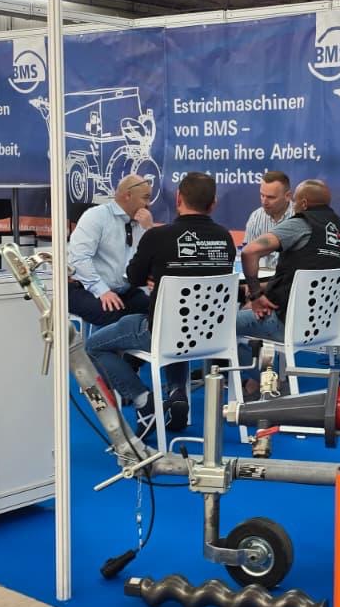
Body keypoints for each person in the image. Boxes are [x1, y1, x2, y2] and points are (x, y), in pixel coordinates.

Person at [86, 172, 236, 433]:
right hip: (212, 334)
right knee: (175, 326)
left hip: (162, 331)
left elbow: (134, 277)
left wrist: (157, 274)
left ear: (178, 199)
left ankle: (143, 400)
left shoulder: (157, 236)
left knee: (93, 345)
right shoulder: (225, 238)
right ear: (213, 204)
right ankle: (177, 391)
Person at [236, 179, 340, 398]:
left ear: (303, 203)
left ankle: (268, 380)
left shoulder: (301, 225)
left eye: (296, 202)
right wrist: (258, 289)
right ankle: (263, 380)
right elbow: (302, 281)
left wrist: (255, 294)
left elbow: (250, 252)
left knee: (220, 325)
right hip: (323, 326)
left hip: (286, 324)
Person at [66, 175, 154, 327]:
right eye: (145, 198)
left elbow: (150, 258)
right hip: (85, 288)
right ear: (128, 195)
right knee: (112, 314)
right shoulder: (96, 216)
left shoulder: (142, 222)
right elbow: (79, 258)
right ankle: (99, 344)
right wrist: (102, 291)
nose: (148, 204)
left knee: (155, 310)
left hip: (124, 290)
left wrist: (150, 230)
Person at [243, 170, 293, 271]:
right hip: (261, 276)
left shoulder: (299, 217)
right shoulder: (255, 217)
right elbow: (248, 256)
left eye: (271, 197)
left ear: (287, 196)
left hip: (289, 277)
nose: (264, 202)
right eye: (262, 195)